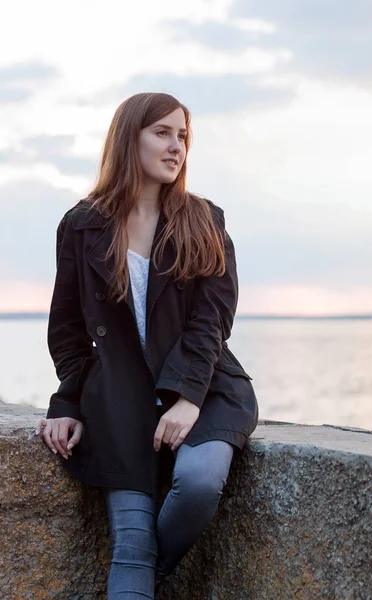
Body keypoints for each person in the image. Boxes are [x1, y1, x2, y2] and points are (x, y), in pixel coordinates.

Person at [36, 92, 259, 599]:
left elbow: (211, 323)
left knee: (199, 484)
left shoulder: (204, 220)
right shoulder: (82, 225)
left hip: (205, 388)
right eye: (162, 132)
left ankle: (140, 572)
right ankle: (137, 567)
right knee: (131, 543)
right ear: (127, 138)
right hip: (119, 401)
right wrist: (69, 403)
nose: (176, 146)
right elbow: (67, 329)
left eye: (183, 135)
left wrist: (187, 398)